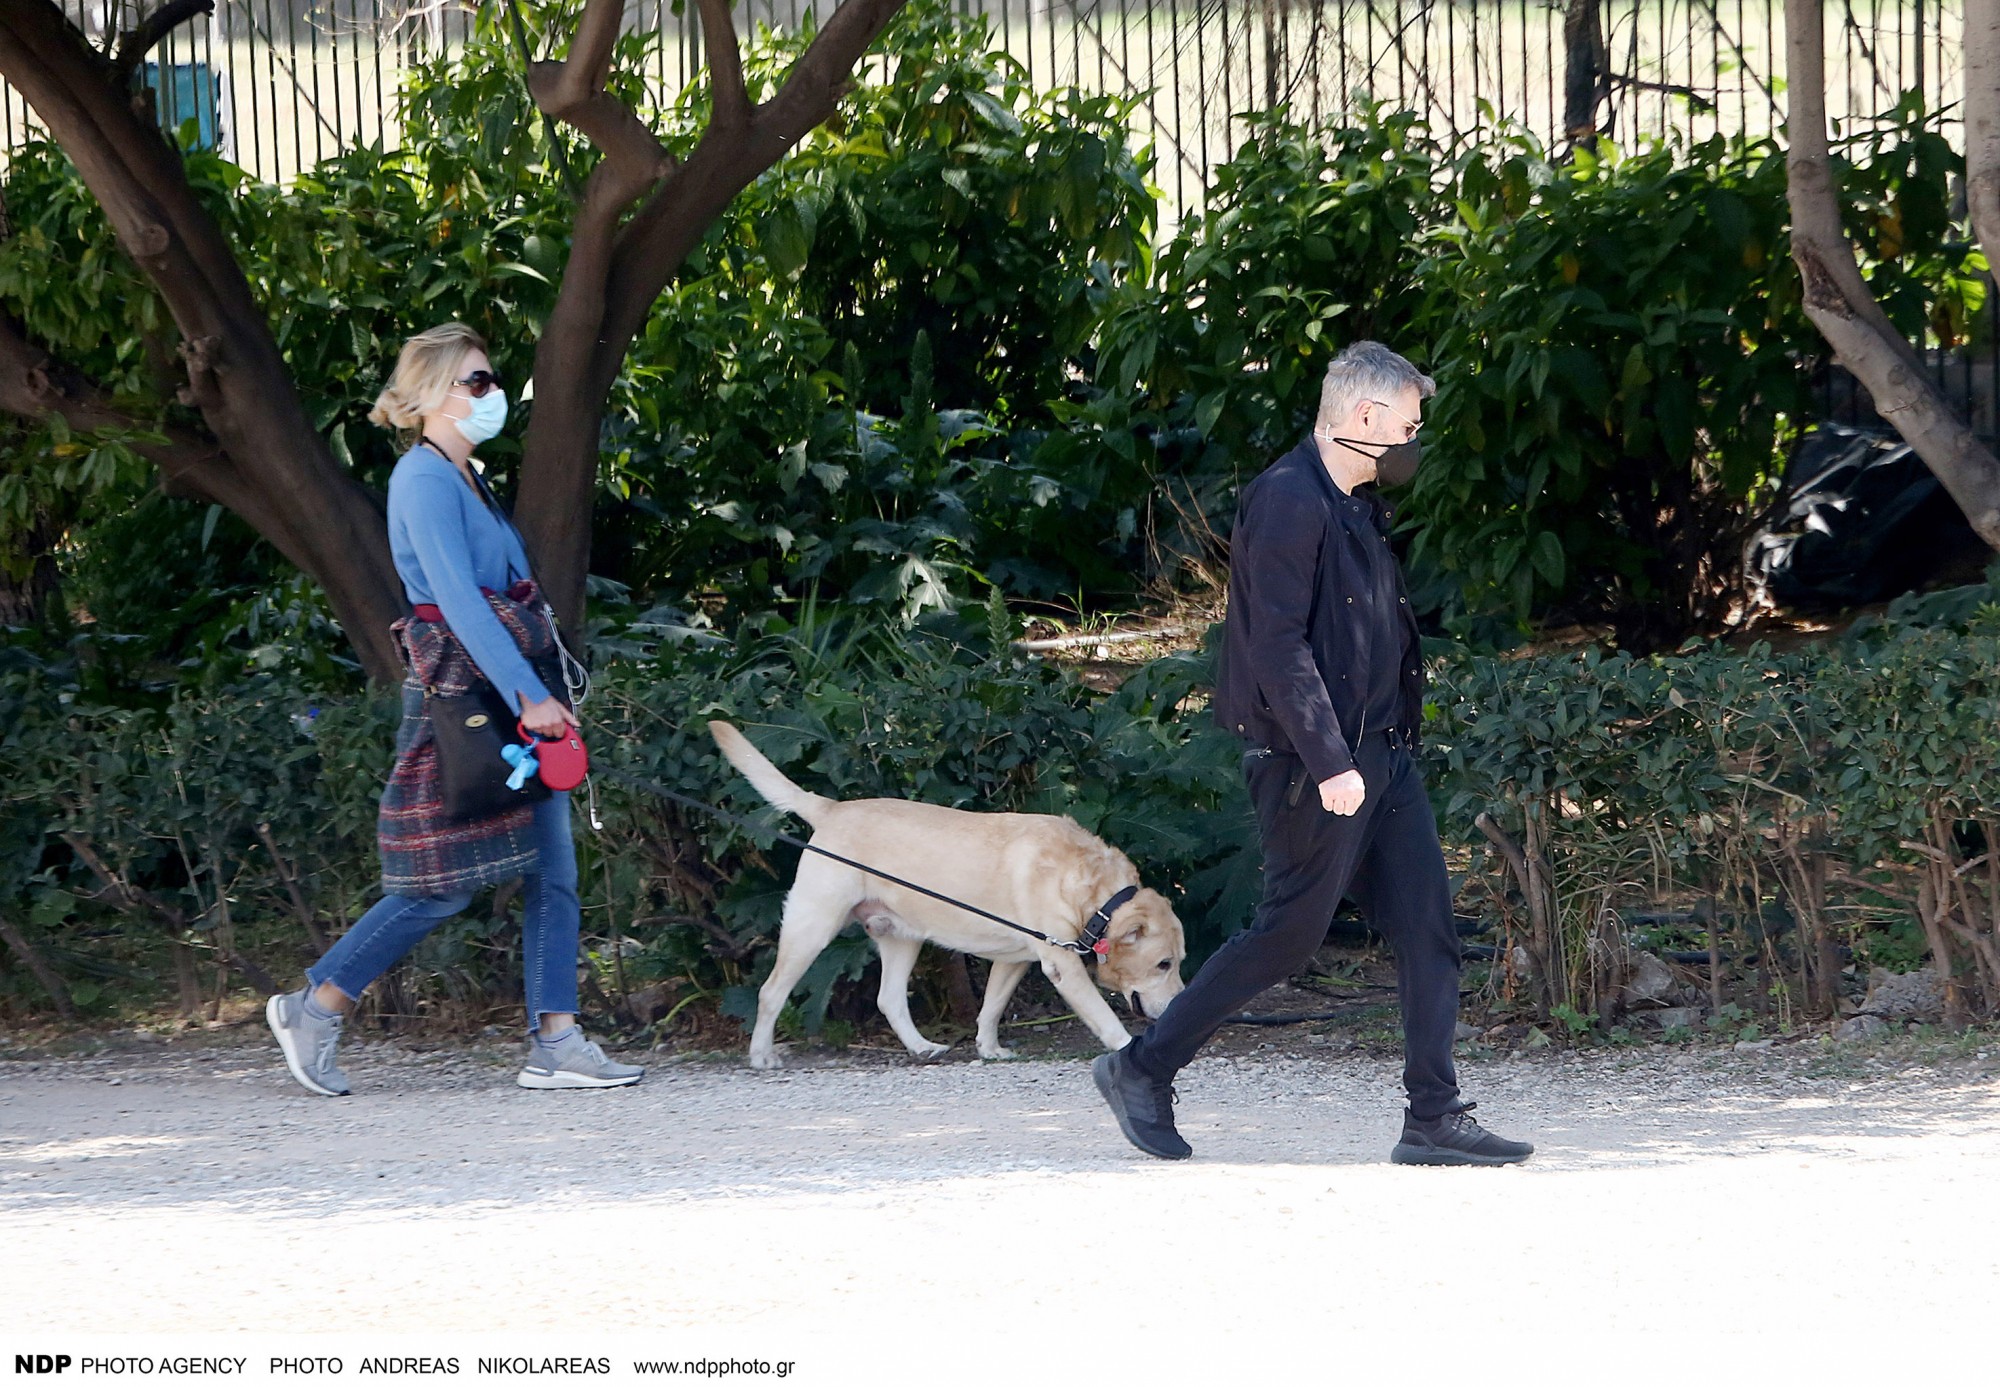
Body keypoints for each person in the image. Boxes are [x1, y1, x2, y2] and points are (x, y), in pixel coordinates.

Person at [1091, 340, 1531, 1165]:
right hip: (1311, 767)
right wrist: (1331, 762)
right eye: (1407, 424)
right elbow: (1277, 647)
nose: (1412, 441)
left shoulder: (1356, 501)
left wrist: (1381, 749)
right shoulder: (1289, 500)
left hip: (1383, 760)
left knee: (1429, 929)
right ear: (1366, 419)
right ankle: (1140, 1067)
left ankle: (1432, 1116)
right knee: (1286, 937)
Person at [265, 323, 642, 1096]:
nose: (491, 393)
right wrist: (530, 696)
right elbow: (462, 604)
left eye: (492, 379)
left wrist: (535, 690)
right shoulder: (424, 479)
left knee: (553, 871)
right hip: (464, 699)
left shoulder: (468, 478)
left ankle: (556, 1039)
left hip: (499, 693)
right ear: (432, 393)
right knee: (440, 881)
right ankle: (317, 1003)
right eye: (475, 382)